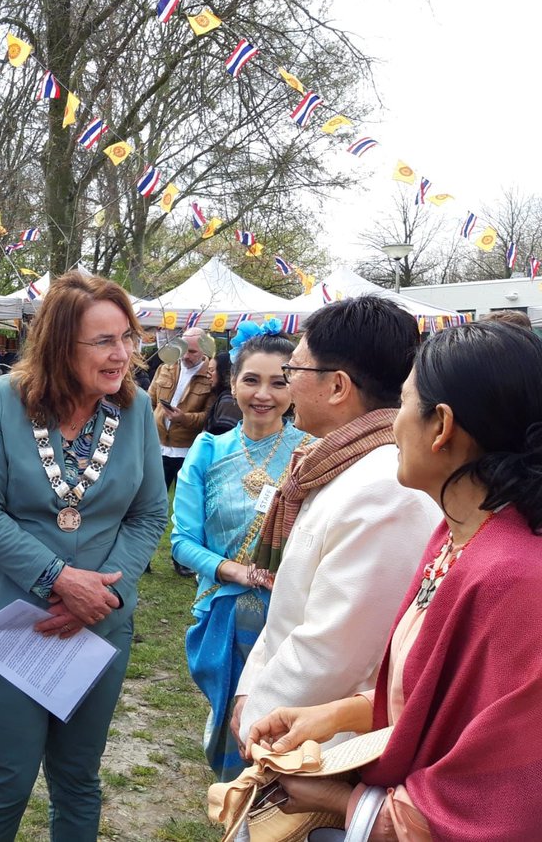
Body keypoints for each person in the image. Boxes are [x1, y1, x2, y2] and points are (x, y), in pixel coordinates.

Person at [247, 321, 542, 840]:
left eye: (405, 404)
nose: (392, 426)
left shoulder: (515, 579)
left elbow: (498, 803)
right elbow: (431, 697)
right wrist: (333, 714)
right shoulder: (455, 537)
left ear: (442, 427)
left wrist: (343, 803)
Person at [0, 272, 168, 841]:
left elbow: (149, 515)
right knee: (6, 777)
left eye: (128, 336)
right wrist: (57, 579)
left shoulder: (137, 409)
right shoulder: (3, 401)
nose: (122, 352)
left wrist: (105, 595)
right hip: (11, 619)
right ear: (58, 346)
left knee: (78, 778)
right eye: (103, 341)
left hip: (102, 621)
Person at [233, 296, 440, 751]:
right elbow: (292, 604)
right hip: (295, 723)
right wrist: (251, 690)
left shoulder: (386, 488)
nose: (287, 385)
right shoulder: (332, 465)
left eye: (295, 371)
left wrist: (260, 715)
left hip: (326, 740)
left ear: (338, 386)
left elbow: (337, 648)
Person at [170, 324, 308, 781]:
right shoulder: (209, 451)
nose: (263, 394)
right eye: (251, 380)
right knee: (233, 724)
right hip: (227, 614)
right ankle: (236, 800)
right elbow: (182, 542)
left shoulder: (313, 454)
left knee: (288, 730)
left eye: (278, 381)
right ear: (233, 384)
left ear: (296, 387)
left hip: (296, 619)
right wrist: (236, 572)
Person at [148, 325, 216, 489]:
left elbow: (208, 417)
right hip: (158, 448)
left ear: (204, 350)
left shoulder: (211, 376)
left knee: (184, 503)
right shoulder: (165, 368)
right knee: (151, 500)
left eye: (192, 352)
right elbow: (149, 402)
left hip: (187, 451)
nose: (185, 355)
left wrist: (183, 418)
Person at [203, 350, 243, 435]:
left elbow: (224, 440)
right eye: (207, 371)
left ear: (223, 371)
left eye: (212, 370)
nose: (208, 376)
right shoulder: (224, 397)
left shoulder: (228, 402)